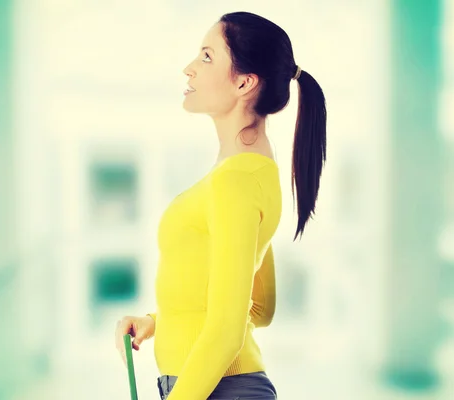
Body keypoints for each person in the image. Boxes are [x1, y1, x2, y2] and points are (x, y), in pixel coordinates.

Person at [114, 11, 327, 399]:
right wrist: (159, 321)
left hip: (218, 390)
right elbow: (259, 308)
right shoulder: (251, 173)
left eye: (207, 56)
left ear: (245, 82)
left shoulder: (236, 181)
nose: (189, 68)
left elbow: (229, 331)